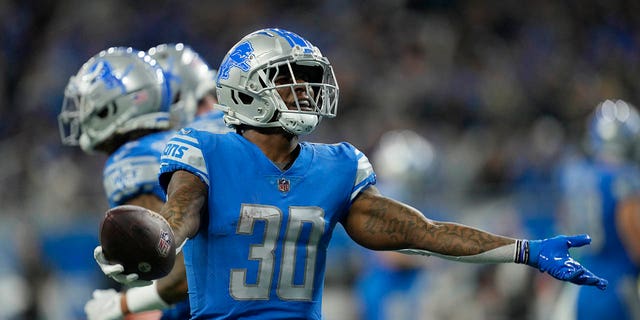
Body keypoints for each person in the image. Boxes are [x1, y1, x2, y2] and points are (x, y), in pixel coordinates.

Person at [93, 28, 607, 319]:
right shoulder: (203, 150)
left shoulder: (337, 165)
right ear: (244, 91)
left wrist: (525, 251)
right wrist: (153, 243)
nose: (305, 94)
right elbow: (180, 216)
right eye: (289, 82)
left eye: (309, 82)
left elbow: (421, 234)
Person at [58, 45, 227, 320]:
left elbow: (188, 276)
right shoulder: (242, 141)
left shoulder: (135, 159)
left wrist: (122, 305)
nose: (210, 111)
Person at [552, 99, 640, 319]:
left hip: (584, 287)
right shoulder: (623, 180)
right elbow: (636, 242)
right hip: (619, 289)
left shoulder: (577, 176)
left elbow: (563, 225)